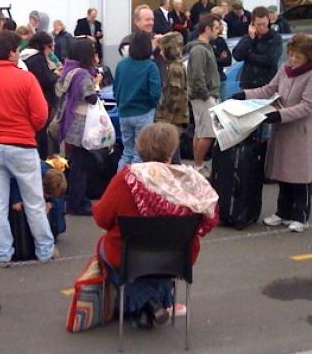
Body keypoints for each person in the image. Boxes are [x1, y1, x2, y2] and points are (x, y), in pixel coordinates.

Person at [93, 122, 218, 328]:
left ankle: (143, 303)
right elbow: (206, 221)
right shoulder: (191, 181)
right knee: (160, 253)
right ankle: (155, 302)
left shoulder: (126, 178)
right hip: (177, 260)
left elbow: (102, 219)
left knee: (105, 247)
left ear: (140, 148)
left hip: (129, 257)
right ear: (171, 150)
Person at [233, 33, 312, 233]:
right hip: (282, 128)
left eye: (298, 57)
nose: (293, 60)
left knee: (300, 175)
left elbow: (307, 106)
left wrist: (280, 115)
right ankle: (282, 212)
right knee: (283, 172)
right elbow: (269, 89)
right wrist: (245, 95)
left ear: (307, 57)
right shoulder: (285, 69)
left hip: (300, 130)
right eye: (291, 55)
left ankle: (300, 215)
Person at [0, 31, 54, 264]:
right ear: (11, 52)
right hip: (22, 144)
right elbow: (40, 116)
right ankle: (44, 250)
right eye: (18, 49)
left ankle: (2, 251)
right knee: (34, 201)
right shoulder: (26, 79)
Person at [55, 38, 101, 216]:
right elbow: (91, 97)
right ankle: (78, 202)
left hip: (69, 121)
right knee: (80, 166)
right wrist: (96, 82)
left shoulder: (68, 70)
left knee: (73, 163)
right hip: (82, 123)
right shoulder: (83, 74)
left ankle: (72, 199)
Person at [114, 31, 162, 170]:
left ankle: (120, 182)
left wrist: (121, 104)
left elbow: (116, 89)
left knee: (127, 152)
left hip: (124, 113)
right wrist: (152, 105)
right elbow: (155, 92)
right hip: (144, 112)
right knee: (139, 154)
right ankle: (135, 187)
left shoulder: (121, 65)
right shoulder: (150, 66)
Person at [184, 14, 222, 174]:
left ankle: (197, 165)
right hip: (203, 97)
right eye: (216, 28)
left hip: (202, 96)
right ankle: (198, 166)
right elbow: (197, 76)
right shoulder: (199, 50)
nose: (218, 32)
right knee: (208, 132)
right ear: (207, 29)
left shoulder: (203, 48)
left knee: (201, 131)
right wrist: (207, 96)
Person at [20, 32, 58, 158]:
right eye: (50, 47)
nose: (51, 50)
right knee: (42, 133)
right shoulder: (37, 59)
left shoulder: (24, 56)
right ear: (43, 46)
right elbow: (46, 80)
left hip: (29, 100)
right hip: (42, 99)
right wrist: (56, 75)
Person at [232, 6, 283, 90]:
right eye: (259, 24)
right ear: (252, 23)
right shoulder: (248, 37)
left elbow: (271, 60)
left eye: (264, 24)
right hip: (248, 83)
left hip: (267, 84)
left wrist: (250, 56)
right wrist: (249, 39)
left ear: (268, 21)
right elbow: (237, 56)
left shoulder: (275, 38)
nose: (262, 27)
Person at [155, 32, 188, 132]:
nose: (160, 53)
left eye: (162, 49)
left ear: (169, 50)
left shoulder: (175, 68)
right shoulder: (178, 65)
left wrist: (166, 117)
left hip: (173, 119)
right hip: (177, 117)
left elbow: (175, 95)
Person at [210, 8, 233, 82]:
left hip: (220, 77)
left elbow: (228, 61)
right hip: (209, 79)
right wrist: (220, 59)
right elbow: (208, 61)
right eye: (217, 26)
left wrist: (217, 59)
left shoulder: (221, 41)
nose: (221, 27)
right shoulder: (204, 42)